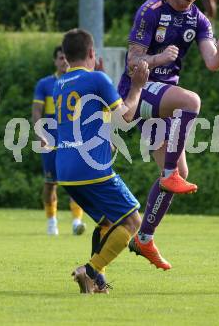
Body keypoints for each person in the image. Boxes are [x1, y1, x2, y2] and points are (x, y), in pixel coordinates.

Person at [117, 0, 219, 270]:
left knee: (180, 173)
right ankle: (169, 175)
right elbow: (133, 62)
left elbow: (210, 62)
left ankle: (144, 238)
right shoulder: (152, 10)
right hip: (139, 89)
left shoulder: (199, 19)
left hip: (163, 99)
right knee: (191, 101)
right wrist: (158, 59)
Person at [53, 28, 149, 294]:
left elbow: (91, 116)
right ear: (92, 53)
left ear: (66, 56)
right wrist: (137, 86)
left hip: (65, 169)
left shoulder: (58, 84)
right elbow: (125, 118)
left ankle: (99, 282)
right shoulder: (97, 79)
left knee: (107, 223)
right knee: (132, 222)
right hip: (91, 168)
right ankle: (91, 269)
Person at [32, 46, 86, 236]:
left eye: (68, 57)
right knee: (50, 183)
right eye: (61, 58)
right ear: (55, 61)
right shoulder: (45, 84)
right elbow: (37, 112)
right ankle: (51, 222)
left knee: (77, 181)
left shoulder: (79, 83)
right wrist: (40, 135)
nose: (65, 61)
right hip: (51, 140)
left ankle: (77, 222)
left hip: (73, 140)